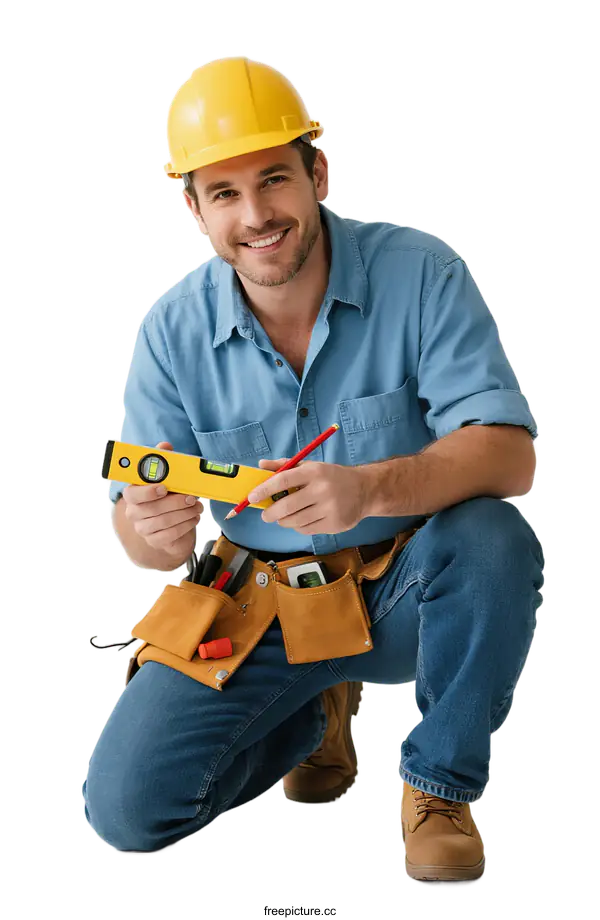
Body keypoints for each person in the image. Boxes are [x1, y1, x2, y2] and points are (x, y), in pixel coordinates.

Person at [82, 56, 546, 883]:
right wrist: (146, 531)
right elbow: (143, 541)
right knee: (128, 814)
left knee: (494, 538)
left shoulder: (423, 272)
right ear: (192, 209)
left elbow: (511, 457)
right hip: (262, 613)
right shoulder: (166, 335)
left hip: (412, 595)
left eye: (273, 180)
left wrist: (369, 487)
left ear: (319, 170)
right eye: (224, 194)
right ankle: (311, 717)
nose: (257, 215)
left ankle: (439, 793)